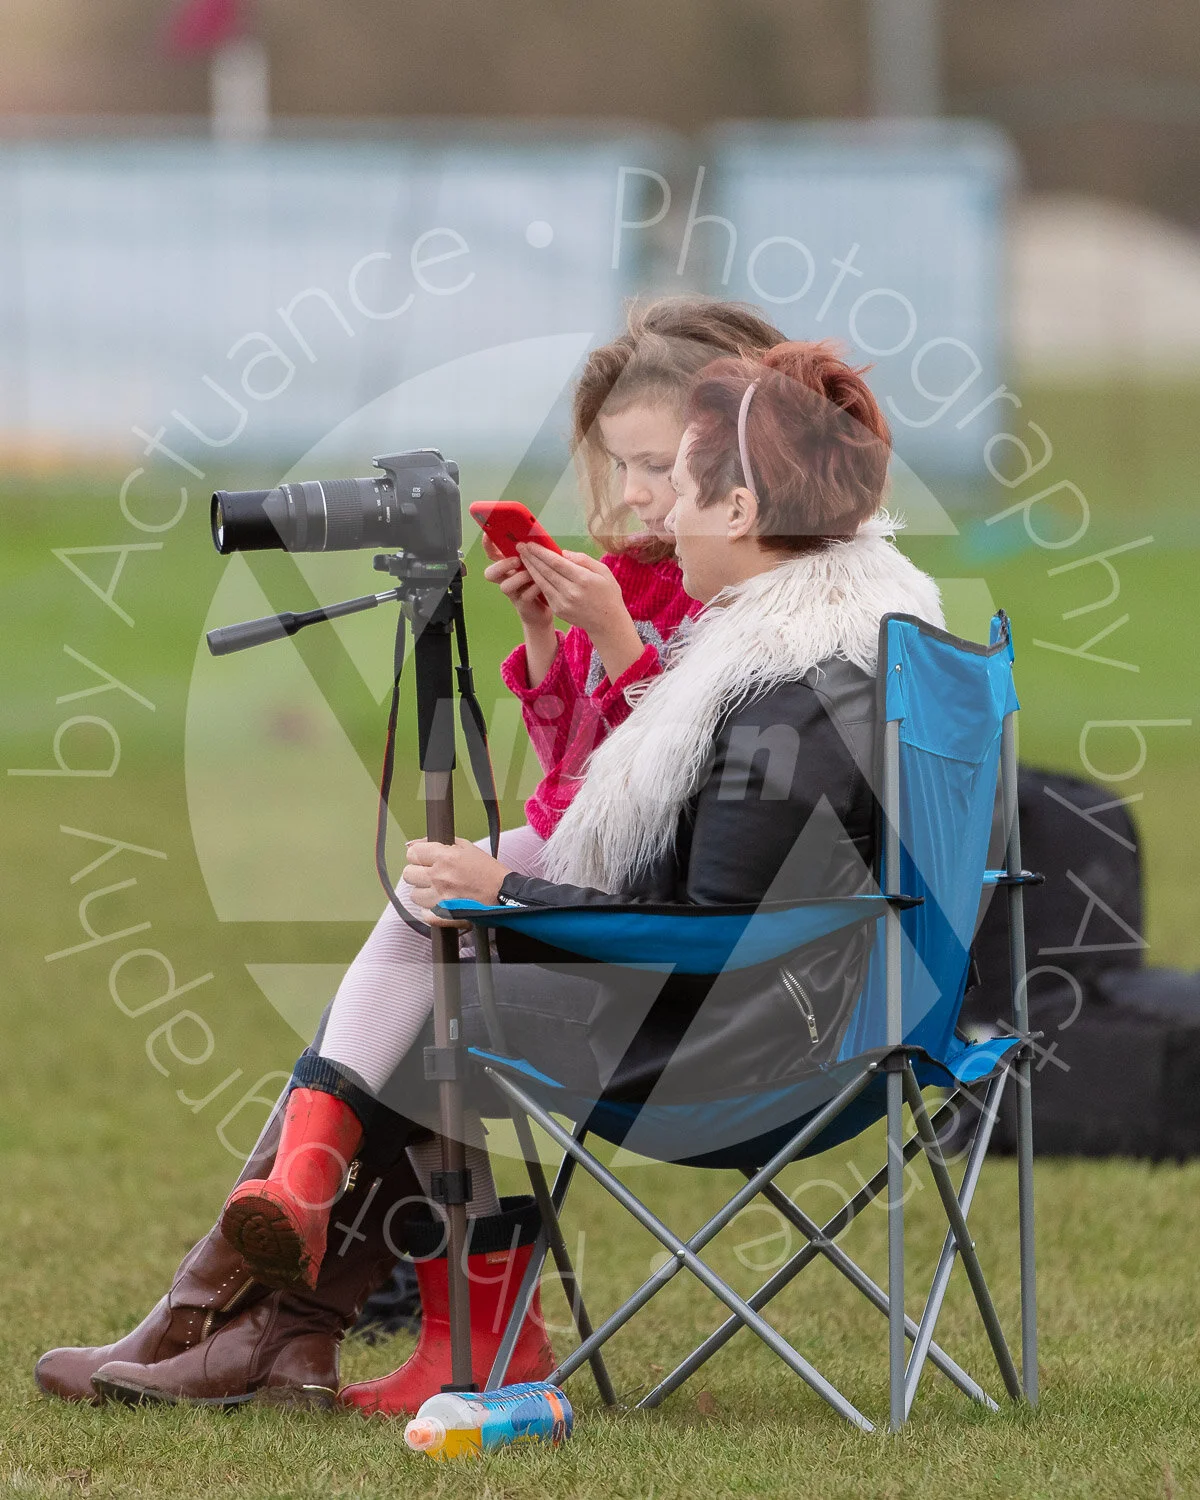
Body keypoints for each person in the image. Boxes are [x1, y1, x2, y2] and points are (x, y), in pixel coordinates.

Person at [34, 297, 787, 1410]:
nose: (631, 495)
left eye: (654, 467)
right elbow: (582, 769)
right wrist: (549, 640)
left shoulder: (753, 604)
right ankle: (280, 1312)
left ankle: (236, 1296)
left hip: (668, 964)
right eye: (618, 466)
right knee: (431, 933)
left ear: (737, 461)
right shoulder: (646, 569)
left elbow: (678, 803)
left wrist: (619, 645)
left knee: (435, 955)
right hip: (603, 899)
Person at [211, 334, 943, 1421]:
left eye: (682, 487)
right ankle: (353, 1280)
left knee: (444, 986)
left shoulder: (784, 689)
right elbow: (679, 859)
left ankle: (405, 1313)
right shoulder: (832, 640)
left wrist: (506, 900)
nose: (660, 514)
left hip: (763, 1050)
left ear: (741, 515)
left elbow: (710, 929)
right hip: (842, 1007)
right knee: (444, 941)